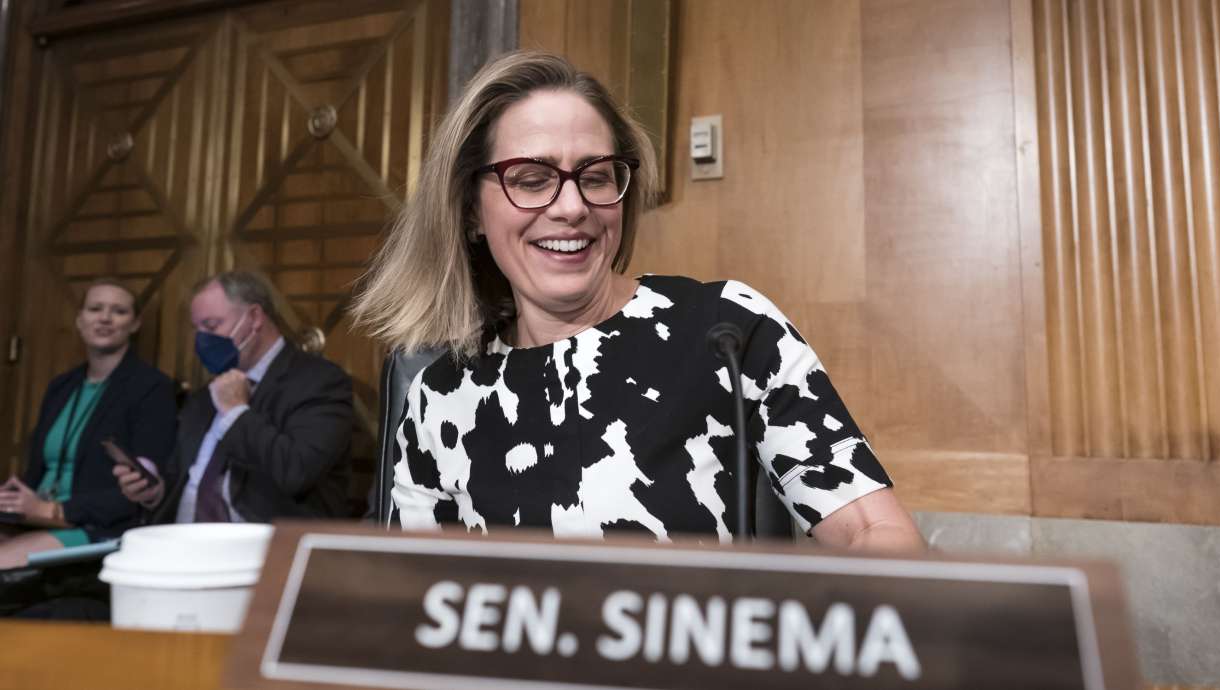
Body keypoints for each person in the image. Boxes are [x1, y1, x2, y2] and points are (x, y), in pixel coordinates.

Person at [350, 51, 924, 551]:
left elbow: (875, 532)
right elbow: (412, 602)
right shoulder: (438, 396)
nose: (572, 206)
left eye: (596, 176)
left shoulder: (727, 330)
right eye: (530, 179)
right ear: (471, 210)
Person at [114, 271, 354, 523]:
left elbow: (296, 472)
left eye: (211, 325)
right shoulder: (205, 396)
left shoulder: (319, 382)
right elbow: (182, 476)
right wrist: (154, 489)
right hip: (182, 543)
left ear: (254, 317)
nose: (202, 339)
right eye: (197, 329)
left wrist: (237, 414)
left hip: (263, 547)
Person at [0, 280, 177, 569]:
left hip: (96, 526)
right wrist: (12, 500)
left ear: (135, 324)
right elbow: (36, 472)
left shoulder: (152, 387)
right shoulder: (61, 386)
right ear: (80, 320)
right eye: (95, 309)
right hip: (35, 519)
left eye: (118, 311)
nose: (105, 318)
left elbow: (143, 489)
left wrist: (54, 509)